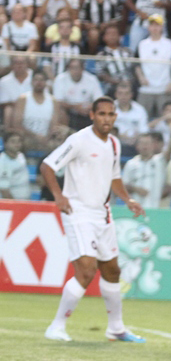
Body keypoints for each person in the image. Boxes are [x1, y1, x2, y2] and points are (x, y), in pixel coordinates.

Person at [40, 96, 146, 343]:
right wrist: (59, 196)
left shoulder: (115, 144)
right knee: (86, 271)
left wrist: (128, 200)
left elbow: (114, 177)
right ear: (92, 115)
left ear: (115, 117)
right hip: (78, 213)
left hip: (103, 215)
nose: (106, 119)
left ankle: (116, 329)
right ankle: (56, 326)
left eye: (110, 114)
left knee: (112, 271)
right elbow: (47, 166)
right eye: (102, 114)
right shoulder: (78, 140)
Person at [122, 131, 171, 209]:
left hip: (154, 208)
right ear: (137, 146)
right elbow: (124, 186)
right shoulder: (130, 164)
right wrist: (136, 189)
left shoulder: (160, 161)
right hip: (134, 209)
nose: (145, 146)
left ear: (152, 146)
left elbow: (169, 151)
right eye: (142, 143)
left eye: (147, 143)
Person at [0, 132, 29, 199]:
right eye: (13, 141)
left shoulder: (21, 156)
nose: (17, 144)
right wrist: (15, 205)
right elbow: (4, 190)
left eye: (19, 141)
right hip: (13, 204)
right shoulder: (2, 162)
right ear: (5, 144)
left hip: (25, 200)